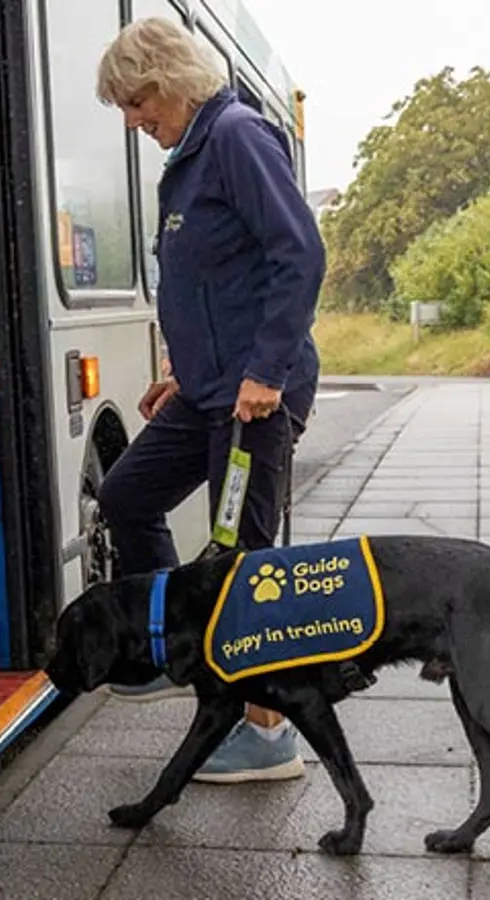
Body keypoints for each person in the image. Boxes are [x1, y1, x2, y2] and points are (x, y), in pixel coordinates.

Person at [93, 17, 325, 783]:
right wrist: (183, 369)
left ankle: (266, 737)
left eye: (134, 103)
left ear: (166, 82)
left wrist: (265, 371)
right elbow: (211, 279)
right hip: (209, 391)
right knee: (126, 494)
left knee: (245, 564)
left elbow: (299, 253)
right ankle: (168, 647)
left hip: (254, 400)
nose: (132, 121)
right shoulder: (193, 154)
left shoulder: (235, 136)